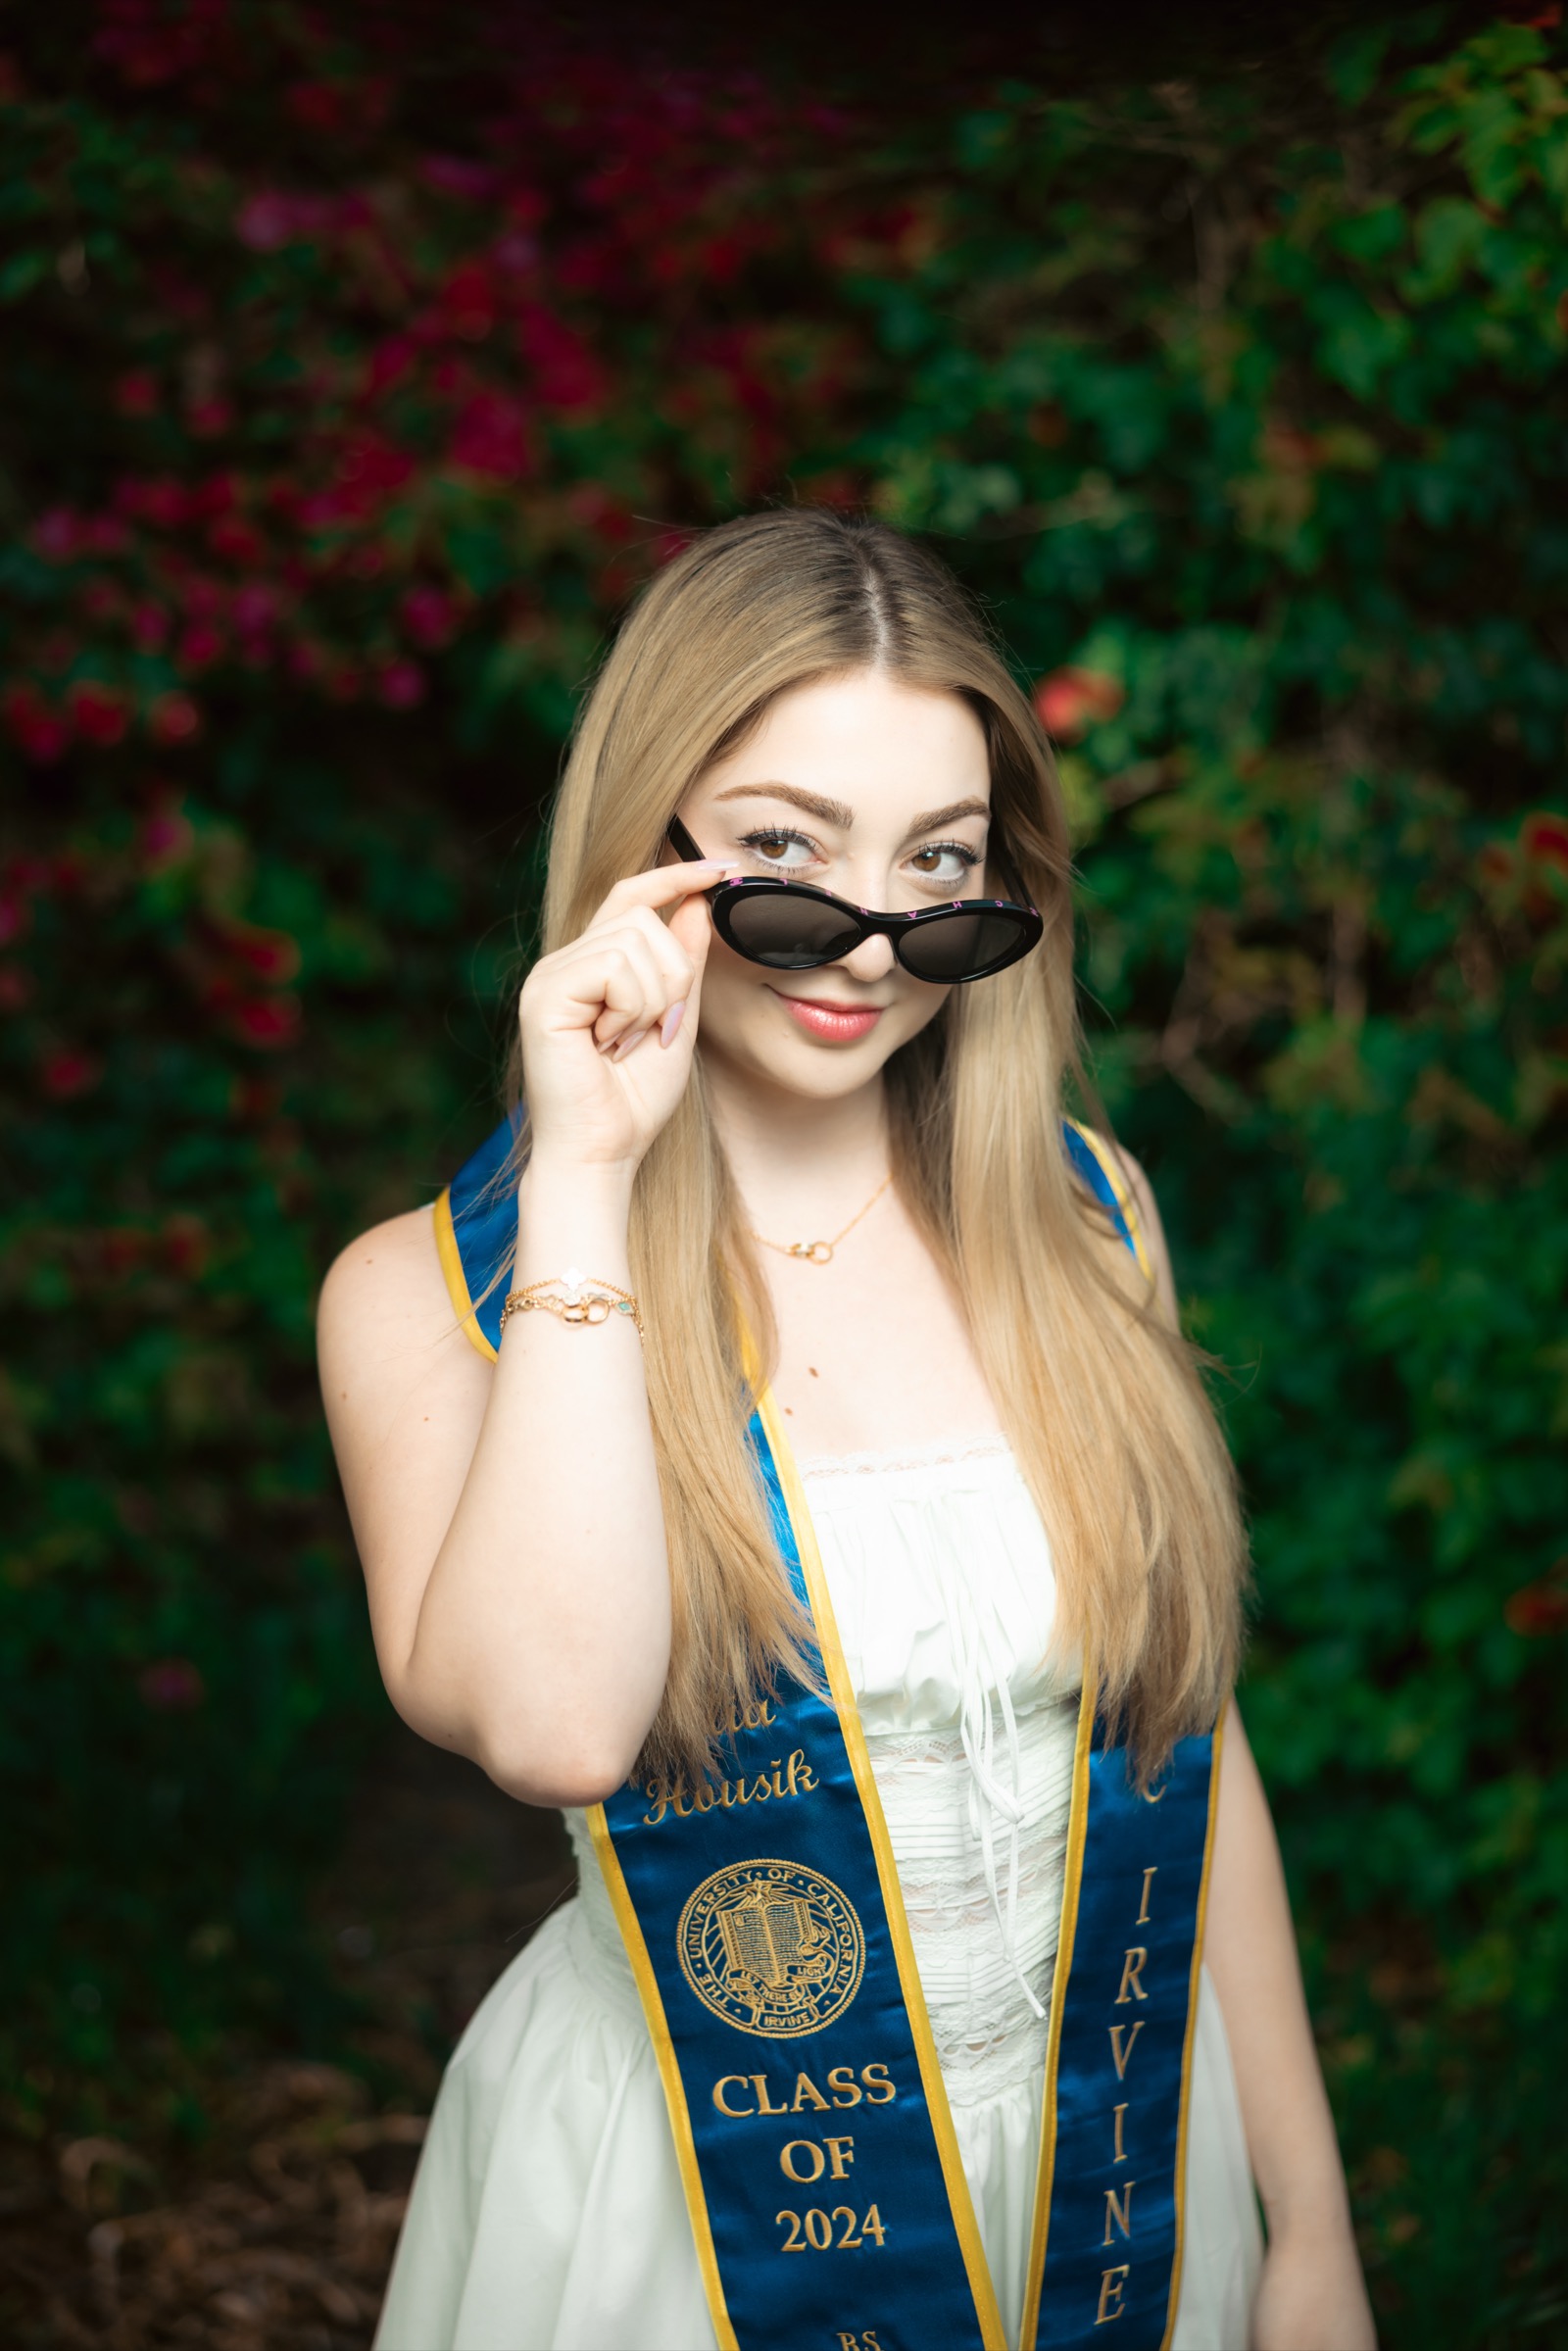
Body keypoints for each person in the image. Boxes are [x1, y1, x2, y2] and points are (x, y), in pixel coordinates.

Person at [318, 511, 1375, 2351]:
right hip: (692, 2228)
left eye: (941, 869)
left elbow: (1182, 1734)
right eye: (786, 857)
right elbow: (561, 1727)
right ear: (646, 852)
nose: (870, 947)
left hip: (1124, 2165)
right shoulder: (427, 1298)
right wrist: (585, 1179)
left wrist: (1306, 2226)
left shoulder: (1090, 1218)